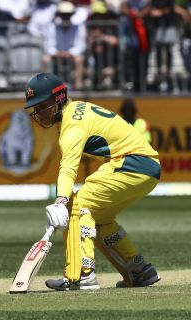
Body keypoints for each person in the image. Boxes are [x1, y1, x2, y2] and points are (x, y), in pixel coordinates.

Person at [23, 73, 161, 290]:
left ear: (59, 99)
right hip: (146, 167)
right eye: (35, 108)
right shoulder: (76, 111)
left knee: (79, 205)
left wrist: (60, 201)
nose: (38, 113)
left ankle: (82, 274)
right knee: (100, 219)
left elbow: (68, 167)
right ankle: (140, 270)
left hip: (134, 163)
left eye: (43, 106)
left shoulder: (72, 123)